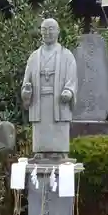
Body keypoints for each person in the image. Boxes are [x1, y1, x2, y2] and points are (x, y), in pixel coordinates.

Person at [21, 18, 78, 156]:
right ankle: (40, 152)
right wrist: (26, 92)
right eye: (44, 29)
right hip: (39, 101)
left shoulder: (67, 55)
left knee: (58, 127)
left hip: (58, 101)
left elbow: (72, 78)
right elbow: (26, 82)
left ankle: (59, 152)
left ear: (58, 31)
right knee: (41, 129)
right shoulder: (34, 57)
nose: (47, 32)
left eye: (51, 29)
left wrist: (69, 91)